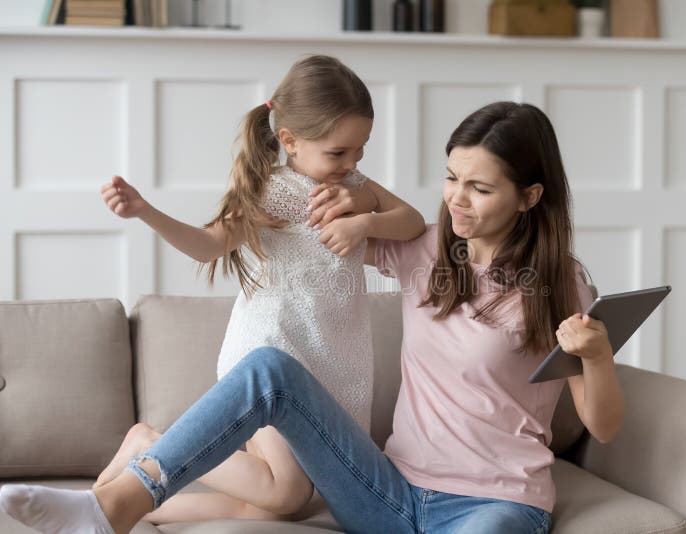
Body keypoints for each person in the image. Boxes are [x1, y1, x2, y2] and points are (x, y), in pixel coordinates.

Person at [0, 101, 625, 534]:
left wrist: (595, 354)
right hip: (387, 491)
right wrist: (357, 201)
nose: (457, 199)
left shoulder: (561, 283)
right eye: (451, 178)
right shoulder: (427, 251)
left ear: (530, 197)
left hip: (498, 505)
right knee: (269, 369)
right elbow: (362, 202)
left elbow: (602, 424)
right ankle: (112, 507)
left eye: (481, 189)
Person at [43, 53, 426, 526]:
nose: (352, 162)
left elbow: (411, 224)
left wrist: (366, 213)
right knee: (285, 492)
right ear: (289, 140)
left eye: (360, 149)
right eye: (338, 152)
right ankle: (151, 444)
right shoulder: (276, 192)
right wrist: (145, 211)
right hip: (273, 356)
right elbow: (207, 246)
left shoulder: (352, 184)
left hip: (334, 364)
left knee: (289, 503)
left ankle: (139, 510)